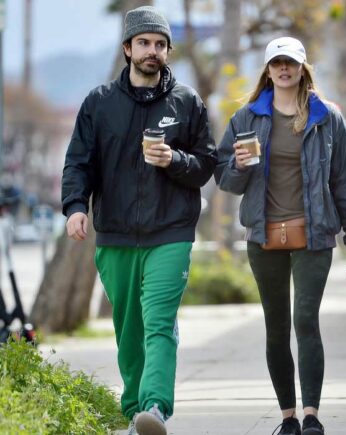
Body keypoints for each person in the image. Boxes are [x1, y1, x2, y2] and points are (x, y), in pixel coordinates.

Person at [61, 6, 217, 435]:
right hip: (115, 236)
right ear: (128, 48)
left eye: (160, 44)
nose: (153, 51)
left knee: (159, 322)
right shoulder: (99, 103)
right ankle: (135, 412)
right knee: (129, 332)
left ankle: (155, 408)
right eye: (144, 43)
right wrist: (75, 206)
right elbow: (79, 162)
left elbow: (207, 164)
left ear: (168, 51)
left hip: (171, 232)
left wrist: (174, 160)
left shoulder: (187, 102)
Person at [215, 36, 346, 435]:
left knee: (305, 319)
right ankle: (288, 418)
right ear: (267, 71)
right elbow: (225, 179)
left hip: (316, 234)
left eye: (291, 63)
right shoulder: (246, 119)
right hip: (262, 235)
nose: (284, 69)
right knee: (276, 325)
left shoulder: (327, 119)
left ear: (303, 69)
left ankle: (313, 414)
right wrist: (241, 164)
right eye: (277, 63)